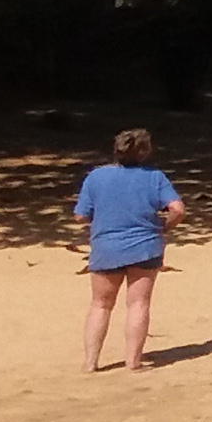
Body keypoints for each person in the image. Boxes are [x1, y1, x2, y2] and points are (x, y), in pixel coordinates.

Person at [72, 128, 185, 378]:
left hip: (106, 248)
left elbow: (80, 215)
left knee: (100, 305)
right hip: (145, 247)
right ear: (145, 151)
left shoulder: (96, 177)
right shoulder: (155, 177)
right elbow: (177, 209)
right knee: (138, 304)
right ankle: (133, 362)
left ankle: (91, 362)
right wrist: (163, 228)